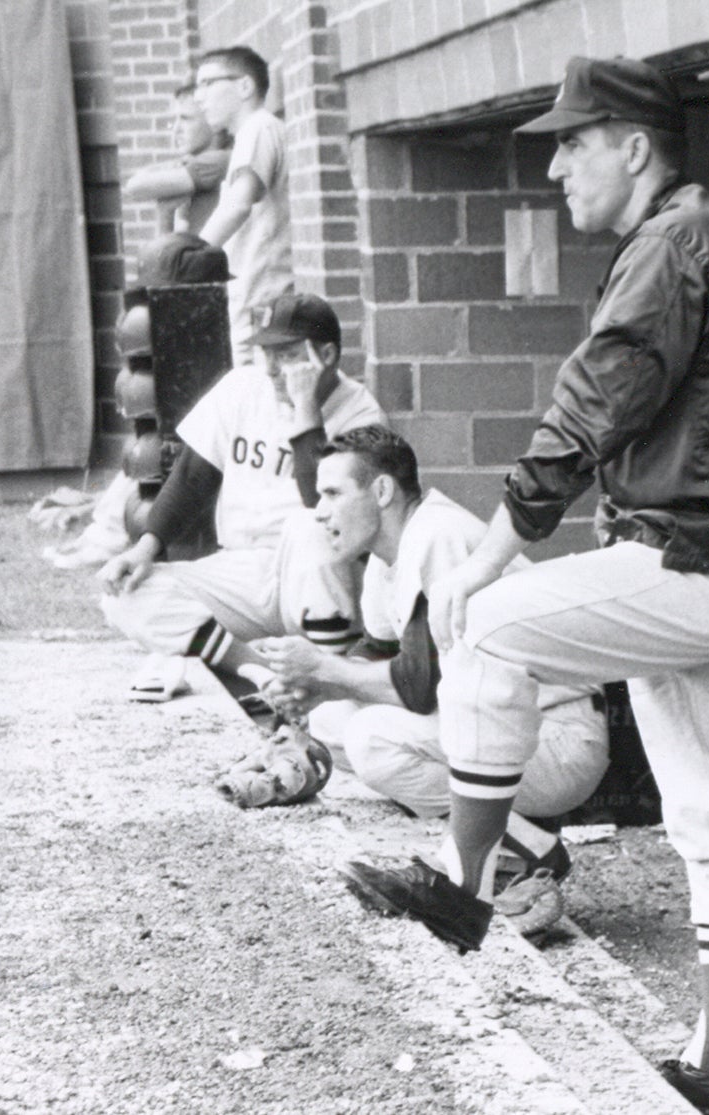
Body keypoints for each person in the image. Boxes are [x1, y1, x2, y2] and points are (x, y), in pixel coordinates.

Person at [331, 57, 709, 1115]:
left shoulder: (680, 242)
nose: (555, 167)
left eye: (572, 141)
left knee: (491, 623)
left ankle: (464, 888)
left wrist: (486, 558)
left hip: (702, 562)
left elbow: (586, 412)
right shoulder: (700, 237)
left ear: (634, 147)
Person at [252, 427, 607, 902]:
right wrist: (313, 689)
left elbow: (419, 687)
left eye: (333, 493)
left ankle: (530, 850)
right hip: (502, 727)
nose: (320, 511)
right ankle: (497, 838)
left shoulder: (438, 533)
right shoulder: (387, 552)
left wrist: (324, 670)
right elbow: (379, 655)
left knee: (373, 738)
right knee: (331, 718)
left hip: (556, 735)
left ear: (382, 491)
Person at [98, 292, 382, 701]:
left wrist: (305, 409)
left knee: (311, 524)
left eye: (287, 354)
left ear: (326, 355)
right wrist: (145, 547)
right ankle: (259, 670)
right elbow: (192, 476)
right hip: (242, 569)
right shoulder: (242, 387)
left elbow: (321, 503)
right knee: (124, 595)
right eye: (266, 353)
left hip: (319, 577)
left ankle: (330, 677)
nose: (272, 369)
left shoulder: (361, 415)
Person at [190, 46, 292, 361]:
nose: (199, 97)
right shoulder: (255, 131)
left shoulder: (258, 128)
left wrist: (187, 260)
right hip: (255, 301)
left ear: (245, 86)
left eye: (207, 84)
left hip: (262, 304)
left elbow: (237, 206)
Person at [123, 83, 232, 237]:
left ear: (213, 121)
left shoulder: (221, 161)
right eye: (175, 120)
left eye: (186, 119)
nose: (176, 129)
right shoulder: (190, 164)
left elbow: (135, 187)